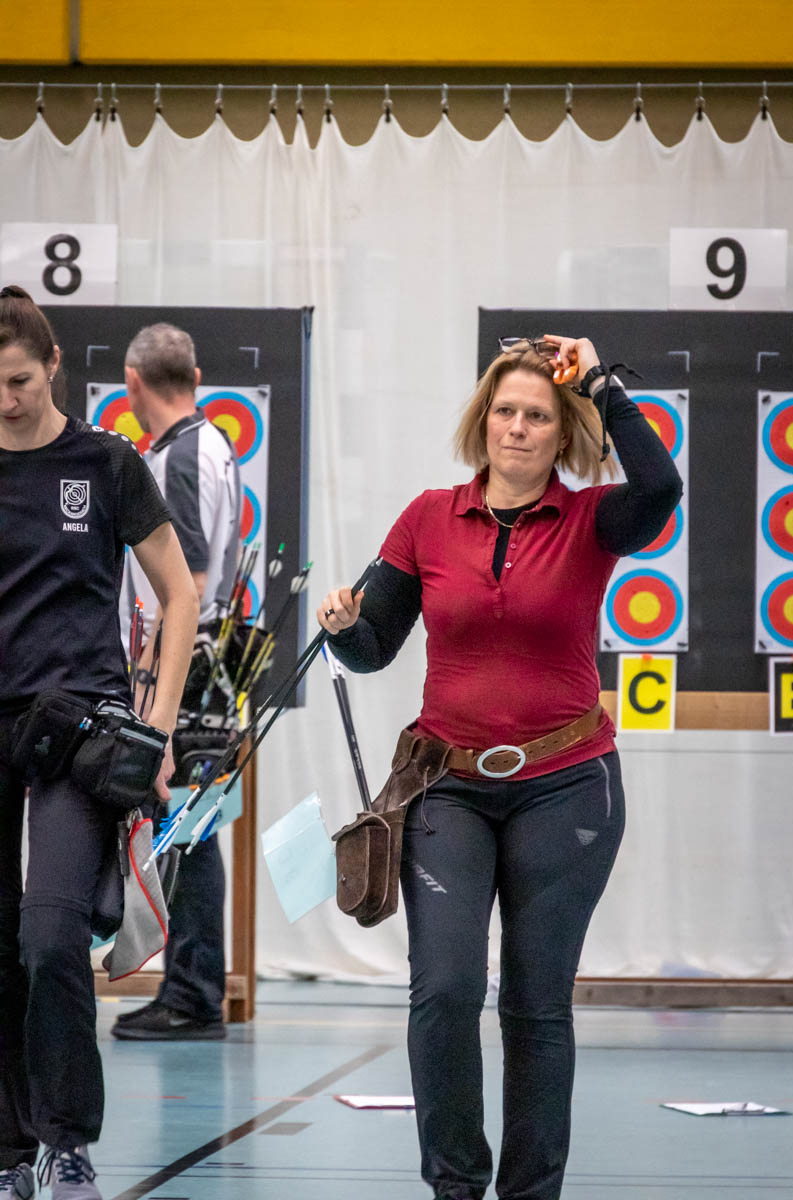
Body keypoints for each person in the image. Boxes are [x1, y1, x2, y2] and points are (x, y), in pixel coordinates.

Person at [318, 335, 683, 1200]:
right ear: (483, 422)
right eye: (505, 412)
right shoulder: (426, 518)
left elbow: (662, 488)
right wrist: (342, 627)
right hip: (448, 787)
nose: (517, 428)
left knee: (534, 1002)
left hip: (569, 787)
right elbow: (374, 648)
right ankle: (454, 1186)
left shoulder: (594, 519)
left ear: (563, 433)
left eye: (538, 416)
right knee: (445, 990)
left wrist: (599, 383)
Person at [0, 288, 199, 1200]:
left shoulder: (107, 463)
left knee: (50, 937)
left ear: (52, 367)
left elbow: (180, 593)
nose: (6, 399)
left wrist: (158, 726)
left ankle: (67, 1141)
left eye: (19, 379)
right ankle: (9, 1151)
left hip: (79, 728)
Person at [111, 323, 241, 1042]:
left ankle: (192, 995)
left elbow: (184, 581)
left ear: (133, 384)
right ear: (194, 376)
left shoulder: (183, 455)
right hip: (196, 661)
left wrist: (150, 683)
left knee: (187, 828)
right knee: (189, 825)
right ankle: (191, 989)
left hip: (185, 666)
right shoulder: (206, 443)